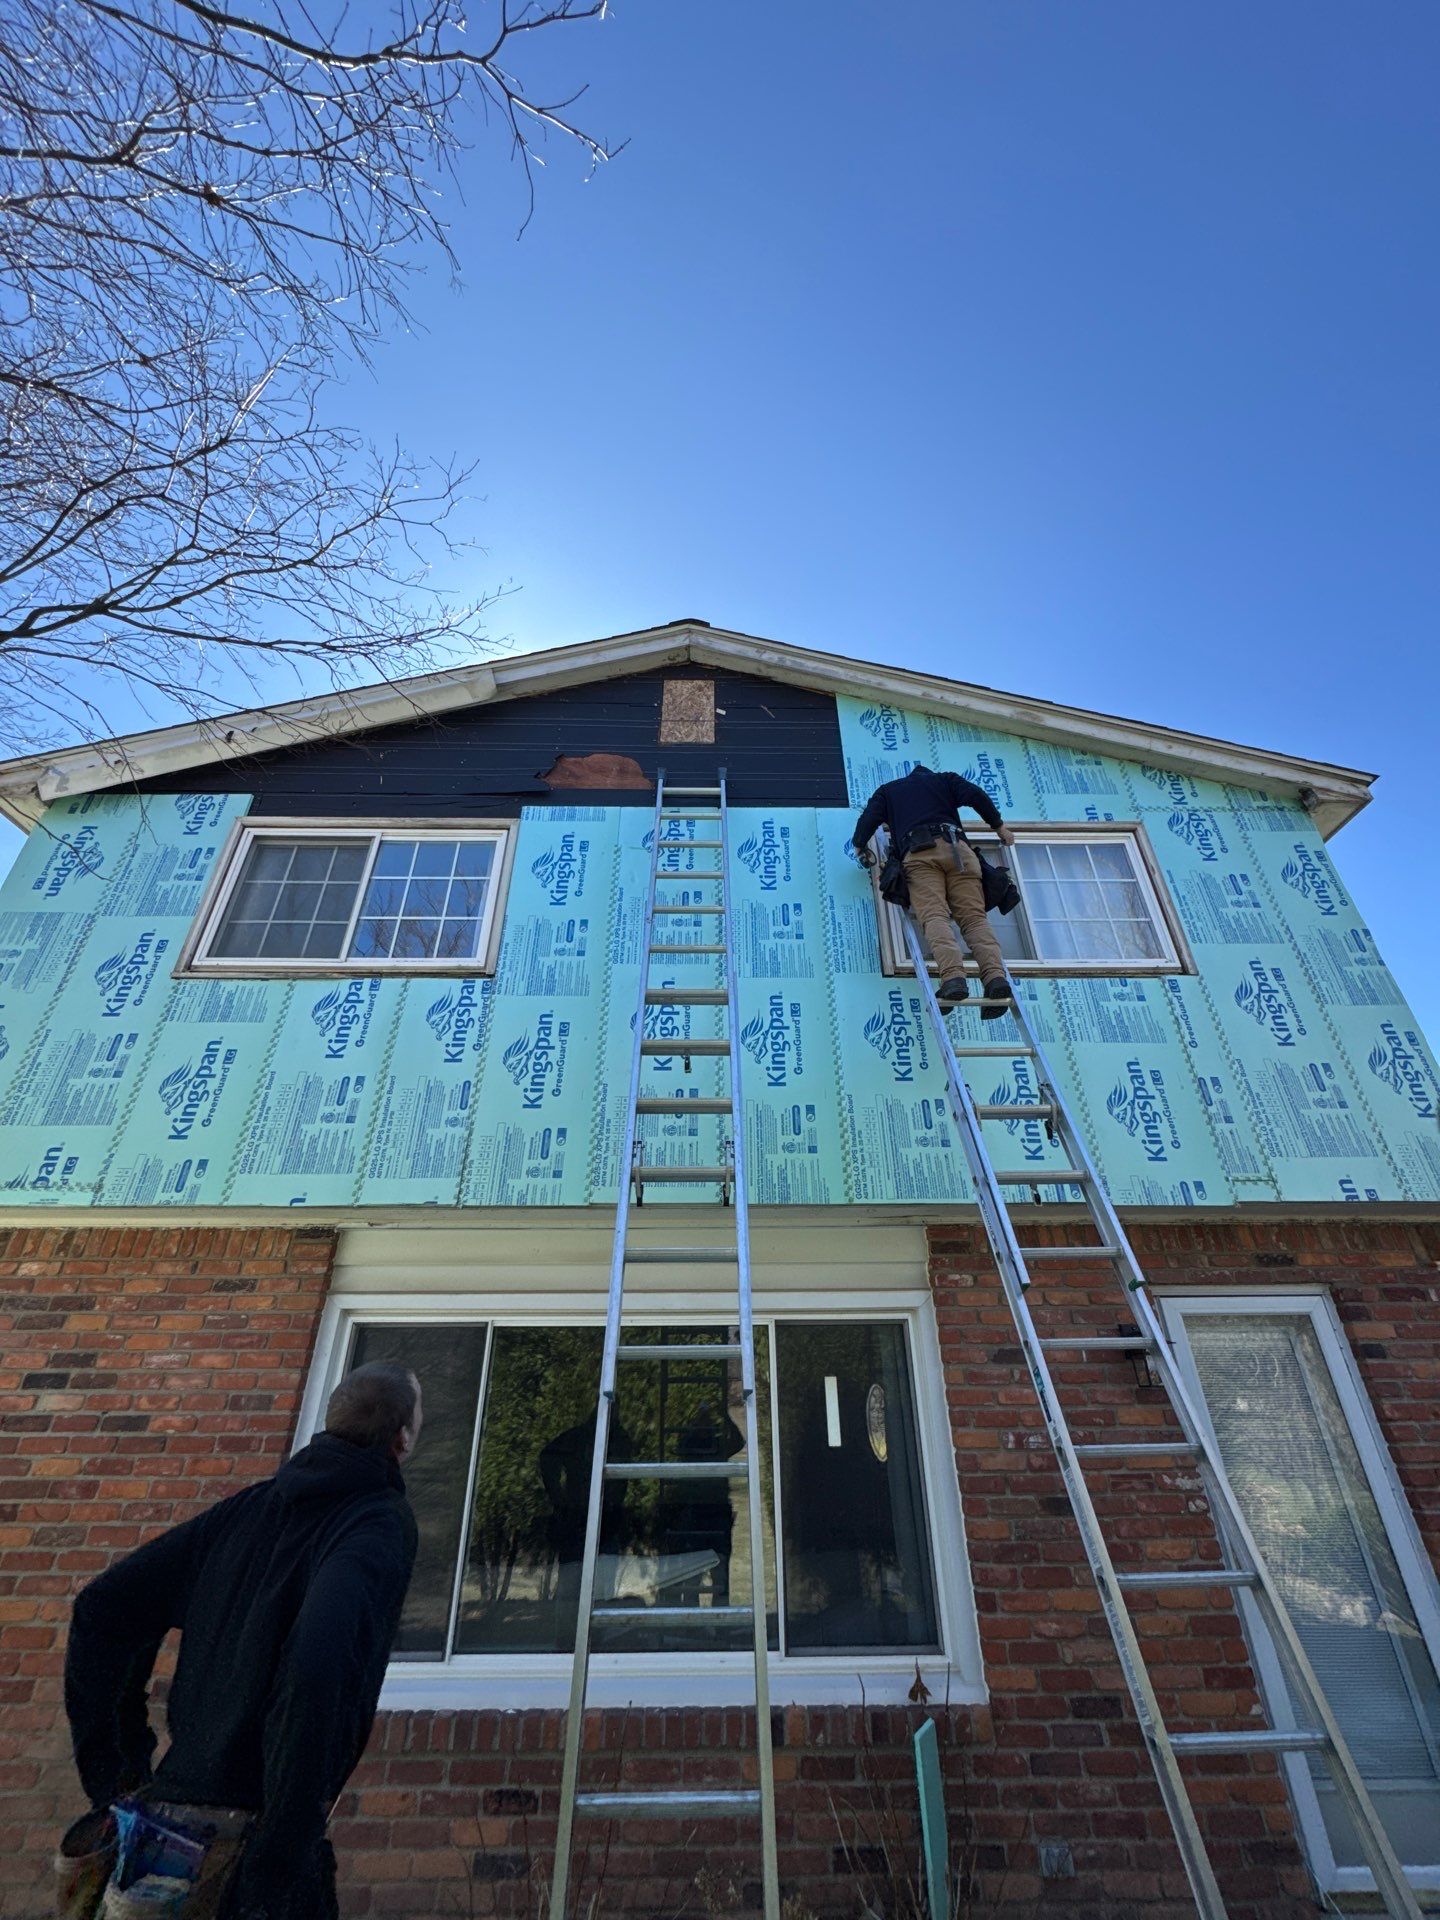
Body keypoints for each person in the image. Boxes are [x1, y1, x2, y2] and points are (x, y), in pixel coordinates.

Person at [63, 1362, 422, 1919]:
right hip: (246, 1853)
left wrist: (118, 1774)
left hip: (161, 1830)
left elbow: (101, 1609)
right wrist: (283, 1845)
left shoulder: (246, 1511)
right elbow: (316, 1665)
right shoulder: (377, 1521)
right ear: (402, 1439)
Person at [852, 762, 1016, 1015]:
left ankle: (953, 978)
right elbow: (976, 795)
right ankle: (995, 977)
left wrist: (859, 845)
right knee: (974, 920)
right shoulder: (946, 780)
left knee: (935, 916)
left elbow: (868, 819)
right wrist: (999, 827)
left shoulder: (889, 791)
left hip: (920, 854)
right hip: (959, 851)